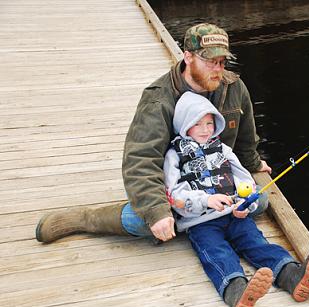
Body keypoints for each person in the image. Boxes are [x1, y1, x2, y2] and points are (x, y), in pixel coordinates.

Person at [35, 23, 271, 243]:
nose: (218, 69)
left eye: (222, 62)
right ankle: (85, 219)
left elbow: (244, 139)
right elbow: (140, 160)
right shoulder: (157, 99)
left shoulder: (234, 87)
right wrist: (156, 210)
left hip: (217, 180)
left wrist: (253, 162)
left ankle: (200, 219)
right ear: (188, 56)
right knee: (146, 221)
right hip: (176, 184)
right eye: (210, 61)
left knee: (260, 201)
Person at [165, 91, 309, 307]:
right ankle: (238, 291)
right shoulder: (174, 155)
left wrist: (246, 204)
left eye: (209, 123)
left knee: (256, 242)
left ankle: (292, 275)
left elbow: (245, 180)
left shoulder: (222, 149)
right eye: (197, 123)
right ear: (184, 125)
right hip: (201, 222)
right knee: (217, 253)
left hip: (235, 214)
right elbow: (174, 194)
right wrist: (206, 200)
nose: (205, 129)